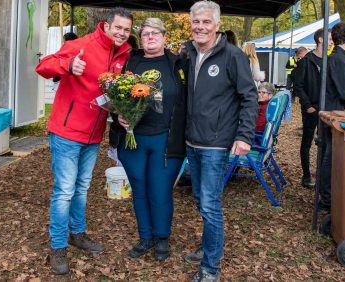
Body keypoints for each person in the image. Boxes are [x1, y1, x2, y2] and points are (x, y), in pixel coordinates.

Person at [35, 7, 133, 275]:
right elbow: (43, 66)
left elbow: (111, 93)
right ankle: (57, 246)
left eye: (127, 30)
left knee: (82, 187)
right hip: (67, 132)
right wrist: (67, 65)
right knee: (65, 191)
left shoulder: (122, 56)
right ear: (107, 26)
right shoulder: (82, 45)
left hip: (94, 134)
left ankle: (76, 233)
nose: (122, 33)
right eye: (119, 28)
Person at [181, 1, 258, 281]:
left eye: (206, 22)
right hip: (192, 141)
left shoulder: (233, 56)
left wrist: (244, 135)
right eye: (196, 22)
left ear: (217, 24)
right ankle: (206, 249)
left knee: (211, 204)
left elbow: (249, 97)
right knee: (201, 199)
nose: (200, 27)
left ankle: (210, 268)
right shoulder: (188, 53)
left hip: (216, 143)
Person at [109, 17, 187, 261]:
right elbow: (114, 93)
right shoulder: (131, 61)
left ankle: (162, 237)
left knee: (160, 190)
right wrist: (118, 114)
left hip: (166, 140)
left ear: (164, 37)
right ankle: (145, 237)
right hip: (134, 139)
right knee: (140, 189)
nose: (150, 37)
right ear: (140, 39)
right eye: (145, 34)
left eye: (155, 33)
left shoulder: (178, 63)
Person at [320, 21, 345, 210]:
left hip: (337, 111)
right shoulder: (338, 59)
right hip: (337, 113)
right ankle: (327, 198)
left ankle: (328, 196)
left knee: (332, 155)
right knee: (331, 155)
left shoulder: (339, 58)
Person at [293, 28, 332, 189]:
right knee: (307, 142)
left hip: (326, 108)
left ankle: (322, 175)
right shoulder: (306, 61)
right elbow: (299, 85)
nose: (331, 41)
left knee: (324, 142)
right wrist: (307, 105)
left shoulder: (329, 61)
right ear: (321, 39)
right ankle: (307, 175)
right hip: (311, 108)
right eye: (329, 39)